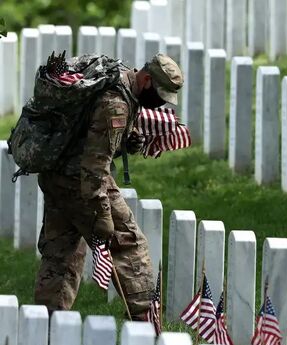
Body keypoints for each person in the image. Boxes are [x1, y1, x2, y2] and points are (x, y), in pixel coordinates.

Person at [34, 53, 184, 320]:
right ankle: (144, 325)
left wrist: (128, 140)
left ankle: (45, 329)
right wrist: (102, 215)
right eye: (159, 94)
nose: (160, 103)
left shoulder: (121, 81)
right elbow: (94, 167)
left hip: (57, 174)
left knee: (61, 254)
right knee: (129, 244)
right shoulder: (116, 103)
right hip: (79, 180)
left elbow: (90, 133)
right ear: (147, 78)